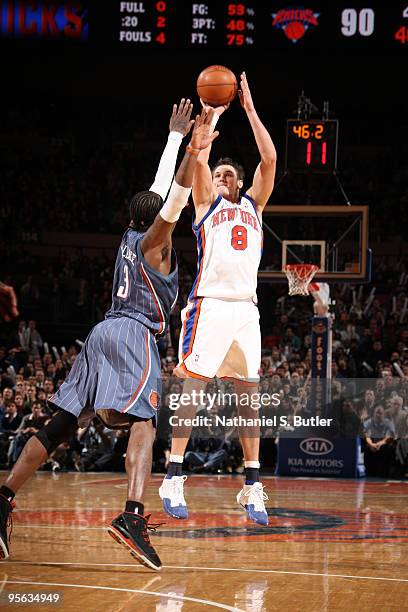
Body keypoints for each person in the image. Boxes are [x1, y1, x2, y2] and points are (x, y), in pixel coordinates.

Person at [0, 102, 219, 571]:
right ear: (157, 221)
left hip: (100, 333)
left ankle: (2, 498)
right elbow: (175, 194)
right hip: (131, 334)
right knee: (145, 420)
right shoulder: (155, 241)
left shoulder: (127, 235)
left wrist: (175, 137)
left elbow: (159, 192)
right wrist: (194, 151)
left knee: (61, 423)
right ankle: (133, 516)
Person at [159, 72, 277, 526]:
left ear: (241, 182)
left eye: (230, 174)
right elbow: (199, 168)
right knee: (193, 386)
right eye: (220, 173)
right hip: (210, 304)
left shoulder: (253, 206)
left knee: (250, 396)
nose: (222, 177)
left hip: (246, 309)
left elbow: (269, 157)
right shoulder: (207, 205)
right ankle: (173, 474)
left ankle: (251, 485)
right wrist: (205, 129)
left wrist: (248, 109)